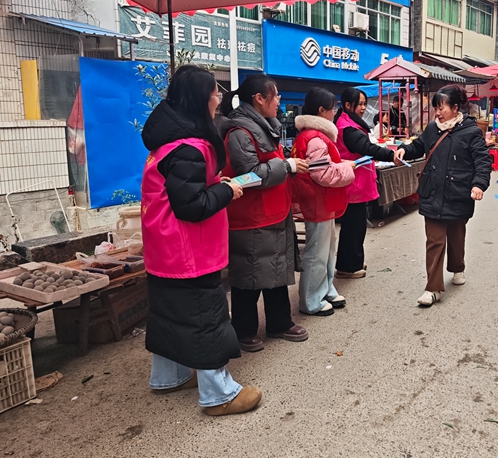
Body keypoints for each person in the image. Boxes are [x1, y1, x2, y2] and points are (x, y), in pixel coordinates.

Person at [140, 64, 261, 416]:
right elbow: (192, 206)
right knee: (206, 316)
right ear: (200, 98)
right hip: (189, 251)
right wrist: (226, 189)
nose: (218, 99)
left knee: (168, 315)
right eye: (215, 93)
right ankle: (219, 394)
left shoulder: (167, 141)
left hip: (164, 249)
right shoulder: (189, 149)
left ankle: (168, 377)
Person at [219, 75, 310, 352]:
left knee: (276, 269)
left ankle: (279, 322)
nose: (279, 101)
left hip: (273, 212)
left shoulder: (262, 126)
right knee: (249, 273)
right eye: (277, 95)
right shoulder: (239, 132)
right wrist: (288, 166)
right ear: (259, 99)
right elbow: (250, 175)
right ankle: (244, 329)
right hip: (251, 216)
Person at [397, 85, 492, 306]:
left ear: (455, 107)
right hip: (432, 192)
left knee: (456, 236)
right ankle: (433, 288)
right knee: (434, 240)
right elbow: (419, 146)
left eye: (442, 108)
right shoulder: (432, 128)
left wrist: (479, 184)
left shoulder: (471, 131)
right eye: (436, 108)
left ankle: (458, 267)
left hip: (458, 193)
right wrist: (404, 148)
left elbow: (482, 161)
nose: (438, 113)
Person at [291, 88, 356, 316]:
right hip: (318, 200)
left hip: (318, 200)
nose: (334, 112)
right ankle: (311, 300)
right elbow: (323, 174)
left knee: (326, 249)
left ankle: (325, 289)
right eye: (332, 108)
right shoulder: (316, 138)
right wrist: (347, 168)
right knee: (317, 252)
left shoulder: (310, 136)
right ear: (322, 111)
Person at [334, 87, 400, 279]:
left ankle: (352, 262)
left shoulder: (350, 123)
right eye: (360, 104)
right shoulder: (346, 127)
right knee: (353, 227)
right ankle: (348, 267)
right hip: (353, 184)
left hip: (357, 183)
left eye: (365, 104)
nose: (363, 108)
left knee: (356, 226)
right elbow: (366, 147)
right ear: (348, 105)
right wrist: (390, 154)